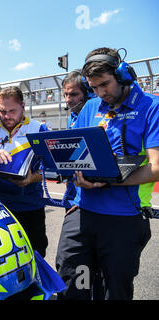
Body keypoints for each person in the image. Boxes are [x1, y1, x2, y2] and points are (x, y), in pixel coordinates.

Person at [55, 47, 159, 300]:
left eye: (105, 84)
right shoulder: (90, 107)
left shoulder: (151, 107)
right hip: (82, 215)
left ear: (123, 75)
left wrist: (109, 179)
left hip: (123, 218)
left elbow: (156, 166)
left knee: (115, 291)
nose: (101, 92)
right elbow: (75, 154)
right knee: (71, 283)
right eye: (94, 87)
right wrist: (74, 172)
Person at [0, 86, 49, 257]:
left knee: (36, 256)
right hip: (0, 207)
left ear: (23, 106)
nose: (7, 116)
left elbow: (51, 169)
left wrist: (30, 179)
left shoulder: (39, 129)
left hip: (31, 206)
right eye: (2, 111)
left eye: (12, 111)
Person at [61, 70, 92, 211]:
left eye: (73, 94)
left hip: (91, 188)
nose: (68, 99)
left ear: (87, 93)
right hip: (73, 186)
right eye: (66, 95)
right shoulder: (71, 118)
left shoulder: (96, 117)